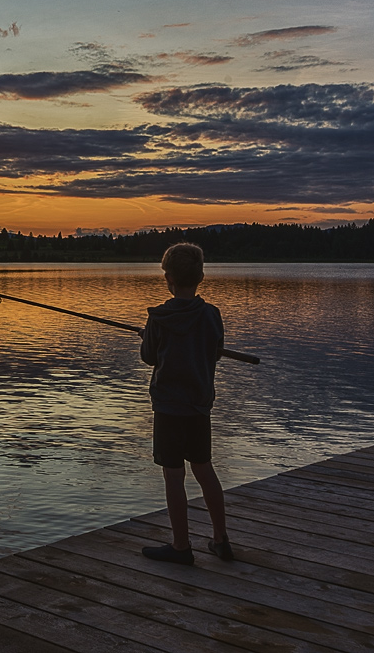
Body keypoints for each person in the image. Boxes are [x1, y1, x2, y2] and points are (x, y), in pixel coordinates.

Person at [138, 242, 234, 565]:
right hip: (198, 408)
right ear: (201, 276)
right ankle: (221, 539)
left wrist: (149, 335)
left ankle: (181, 546)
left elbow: (149, 356)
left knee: (173, 475)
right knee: (204, 469)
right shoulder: (212, 316)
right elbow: (216, 351)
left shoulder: (159, 318)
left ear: (168, 279)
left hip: (167, 409)